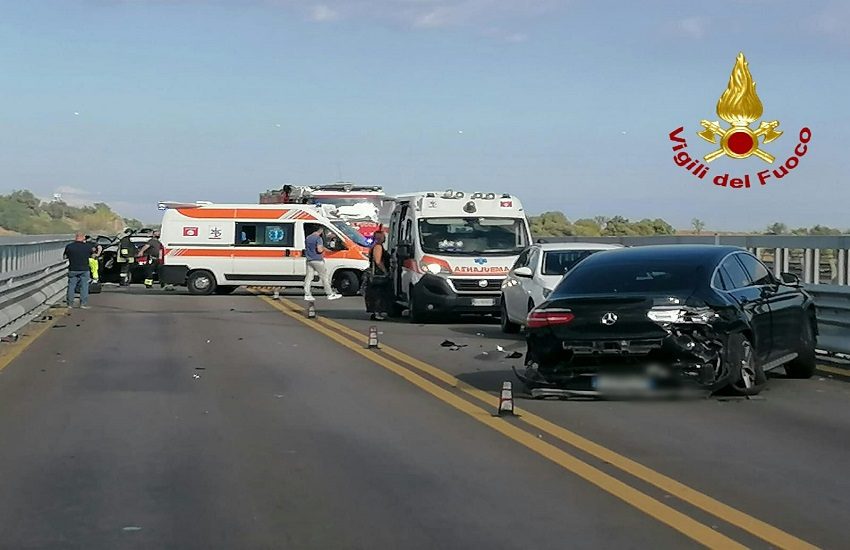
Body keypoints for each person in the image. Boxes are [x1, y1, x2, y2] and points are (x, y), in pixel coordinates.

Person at [303, 224, 342, 302]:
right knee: (324, 277)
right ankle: (330, 294)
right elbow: (319, 250)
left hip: (309, 260)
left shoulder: (308, 237)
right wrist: (324, 250)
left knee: (309, 278)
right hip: (318, 260)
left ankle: (307, 294)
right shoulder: (318, 238)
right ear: (320, 230)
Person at [64, 232, 97, 309]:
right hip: (84, 269)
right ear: (83, 238)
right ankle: (83, 304)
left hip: (73, 269)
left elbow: (65, 256)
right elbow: (93, 256)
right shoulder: (88, 246)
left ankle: (70, 304)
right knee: (84, 286)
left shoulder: (69, 246)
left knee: (71, 286)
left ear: (76, 237)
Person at [364, 231, 392, 320]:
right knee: (378, 294)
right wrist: (385, 271)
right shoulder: (378, 247)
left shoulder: (375, 246)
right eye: (383, 236)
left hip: (376, 274)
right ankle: (377, 313)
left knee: (376, 293)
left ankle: (377, 312)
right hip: (378, 275)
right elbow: (378, 261)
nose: (384, 238)